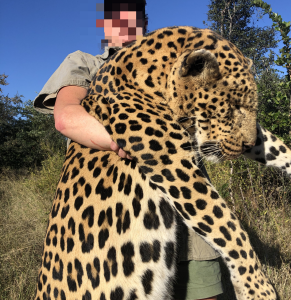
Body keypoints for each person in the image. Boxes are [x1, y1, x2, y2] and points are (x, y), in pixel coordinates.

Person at [33, 1, 223, 299]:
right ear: (104, 25)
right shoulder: (85, 62)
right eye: (115, 17)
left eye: (133, 18)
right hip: (114, 214)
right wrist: (124, 140)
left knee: (204, 288)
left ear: (144, 24)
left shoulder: (172, 67)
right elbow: (66, 117)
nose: (124, 24)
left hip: (184, 200)